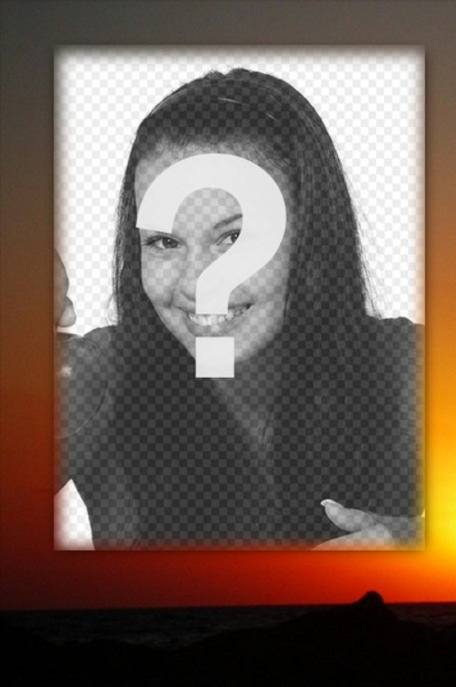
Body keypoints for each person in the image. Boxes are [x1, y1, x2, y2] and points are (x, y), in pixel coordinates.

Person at [56, 69, 421, 548]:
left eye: (235, 237)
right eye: (165, 242)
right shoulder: (95, 374)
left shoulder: (411, 368)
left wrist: (431, 541)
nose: (198, 283)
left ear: (311, 236)